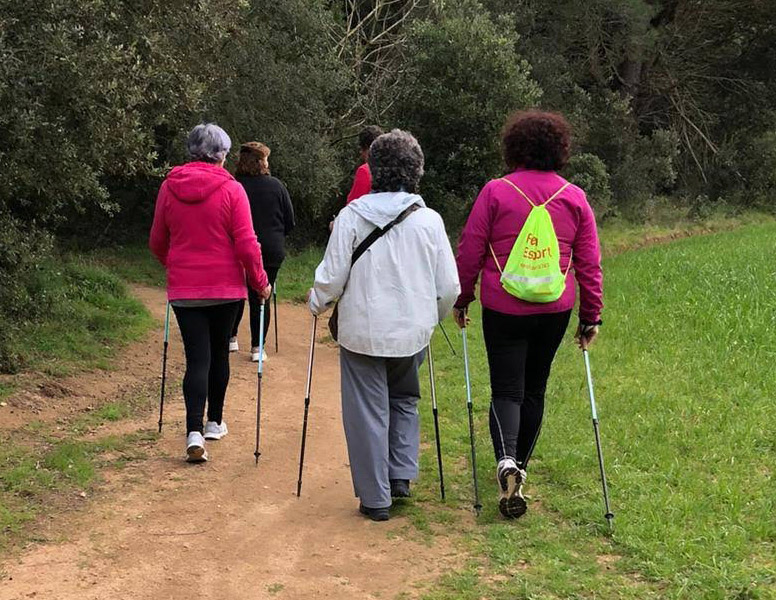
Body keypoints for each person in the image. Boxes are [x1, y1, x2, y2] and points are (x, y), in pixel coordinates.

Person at [453, 110, 603, 519]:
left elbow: (470, 250)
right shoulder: (574, 198)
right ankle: (520, 464)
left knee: (506, 390)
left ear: (513, 147)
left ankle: (505, 461)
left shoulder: (495, 192)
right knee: (535, 388)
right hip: (555, 307)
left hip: (503, 306)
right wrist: (591, 316)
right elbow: (589, 263)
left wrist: (462, 297)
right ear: (561, 150)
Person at [309, 129, 460, 521]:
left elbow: (331, 278)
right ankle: (401, 475)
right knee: (405, 398)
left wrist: (317, 304)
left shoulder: (350, 218)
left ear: (373, 170)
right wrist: (433, 317)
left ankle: (376, 498)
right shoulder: (429, 221)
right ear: (417, 172)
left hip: (362, 330)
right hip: (412, 331)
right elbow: (449, 287)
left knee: (367, 410)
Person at [149, 123, 271, 463]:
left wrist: (173, 265)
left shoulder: (169, 187)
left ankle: (193, 431)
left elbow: (157, 241)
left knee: (196, 359)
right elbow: (247, 244)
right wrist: (260, 281)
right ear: (222, 155)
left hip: (186, 289)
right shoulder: (232, 190)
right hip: (226, 287)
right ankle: (215, 421)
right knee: (219, 354)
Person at [229, 142, 295, 361]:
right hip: (271, 248)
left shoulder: (233, 185)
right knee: (262, 294)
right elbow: (290, 221)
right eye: (266, 158)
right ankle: (258, 347)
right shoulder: (277, 186)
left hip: (237, 247)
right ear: (260, 162)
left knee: (238, 291)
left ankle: (231, 337)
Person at [346, 125, 383, 204]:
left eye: (361, 149)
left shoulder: (365, 171)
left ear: (366, 147)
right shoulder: (394, 168)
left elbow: (353, 205)